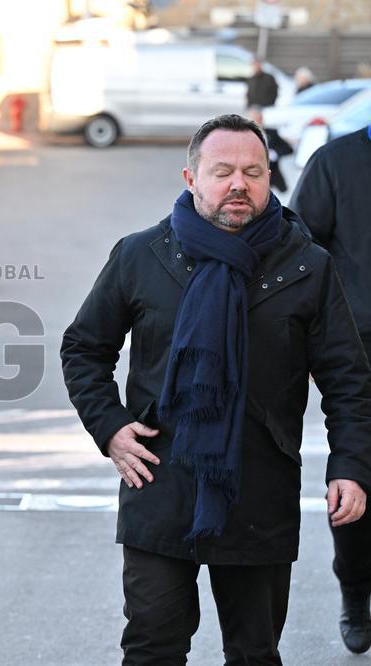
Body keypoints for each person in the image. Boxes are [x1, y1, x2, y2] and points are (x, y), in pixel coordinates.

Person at [61, 113, 371, 664]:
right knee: (152, 646)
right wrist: (109, 427)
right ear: (191, 178)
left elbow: (348, 380)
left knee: (254, 652)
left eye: (253, 172)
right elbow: (84, 347)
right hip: (159, 481)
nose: (238, 184)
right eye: (222, 170)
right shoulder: (141, 254)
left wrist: (350, 465)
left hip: (259, 486)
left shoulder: (307, 265)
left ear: (269, 177)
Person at [290, 124, 371, 654]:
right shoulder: (336, 162)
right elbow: (298, 247)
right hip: (358, 353)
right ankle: (356, 587)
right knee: (360, 475)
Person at [246, 106, 293, 193]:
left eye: (258, 119)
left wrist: (275, 153)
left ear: (262, 119)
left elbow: (288, 149)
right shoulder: (242, 136)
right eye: (253, 120)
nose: (256, 123)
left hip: (273, 177)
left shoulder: (272, 133)